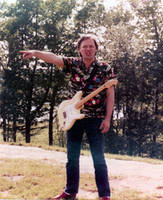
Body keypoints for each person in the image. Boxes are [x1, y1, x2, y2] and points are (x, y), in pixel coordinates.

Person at [20, 34, 115, 200]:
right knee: (72, 157)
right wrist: (35, 52)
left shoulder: (105, 68)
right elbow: (53, 58)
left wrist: (107, 118)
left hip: (96, 118)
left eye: (91, 46)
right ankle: (70, 192)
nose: (88, 49)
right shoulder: (73, 64)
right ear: (79, 49)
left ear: (96, 48)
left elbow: (110, 94)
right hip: (72, 118)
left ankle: (104, 195)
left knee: (98, 158)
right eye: (84, 46)